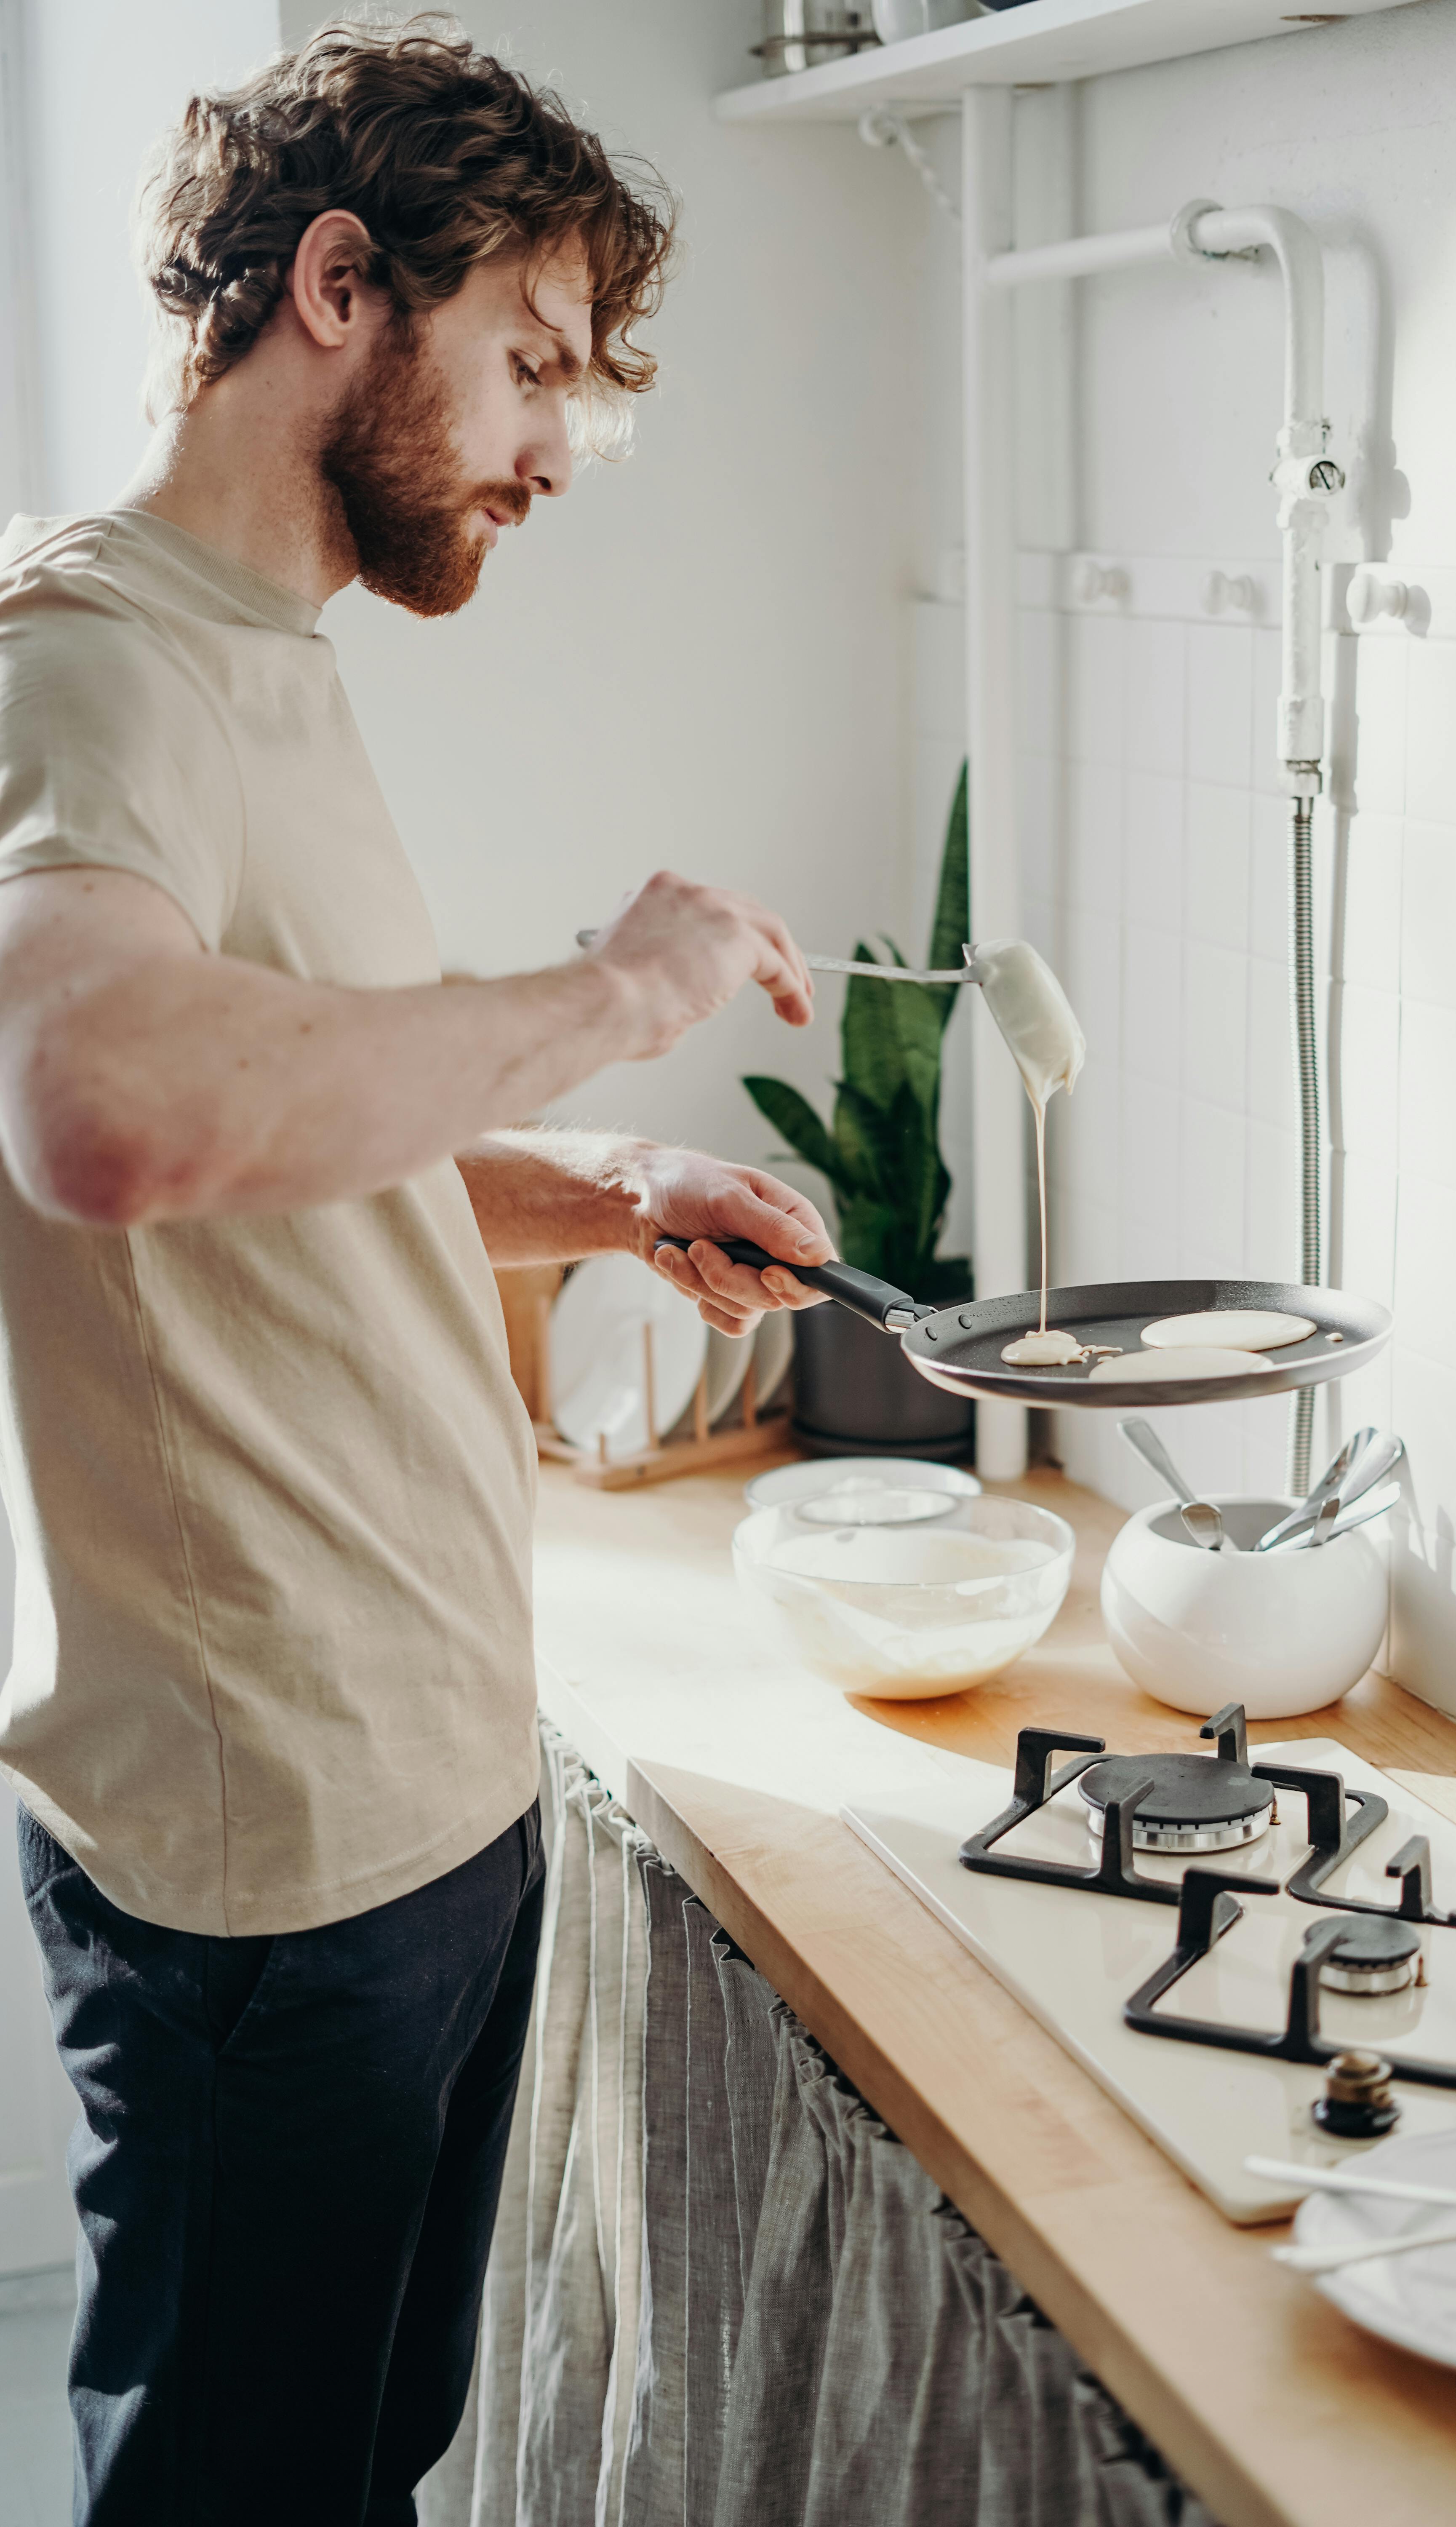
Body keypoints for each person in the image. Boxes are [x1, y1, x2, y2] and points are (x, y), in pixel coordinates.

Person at [0, 21, 829, 2523]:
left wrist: (588, 1176)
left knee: (363, 2469)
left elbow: (288, 1127)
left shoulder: (262, 664)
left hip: (418, 1782)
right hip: (279, 1835)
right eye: (533, 362)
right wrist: (625, 982)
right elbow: (105, 1114)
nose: (561, 447)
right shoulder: (93, 665)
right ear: (339, 284)